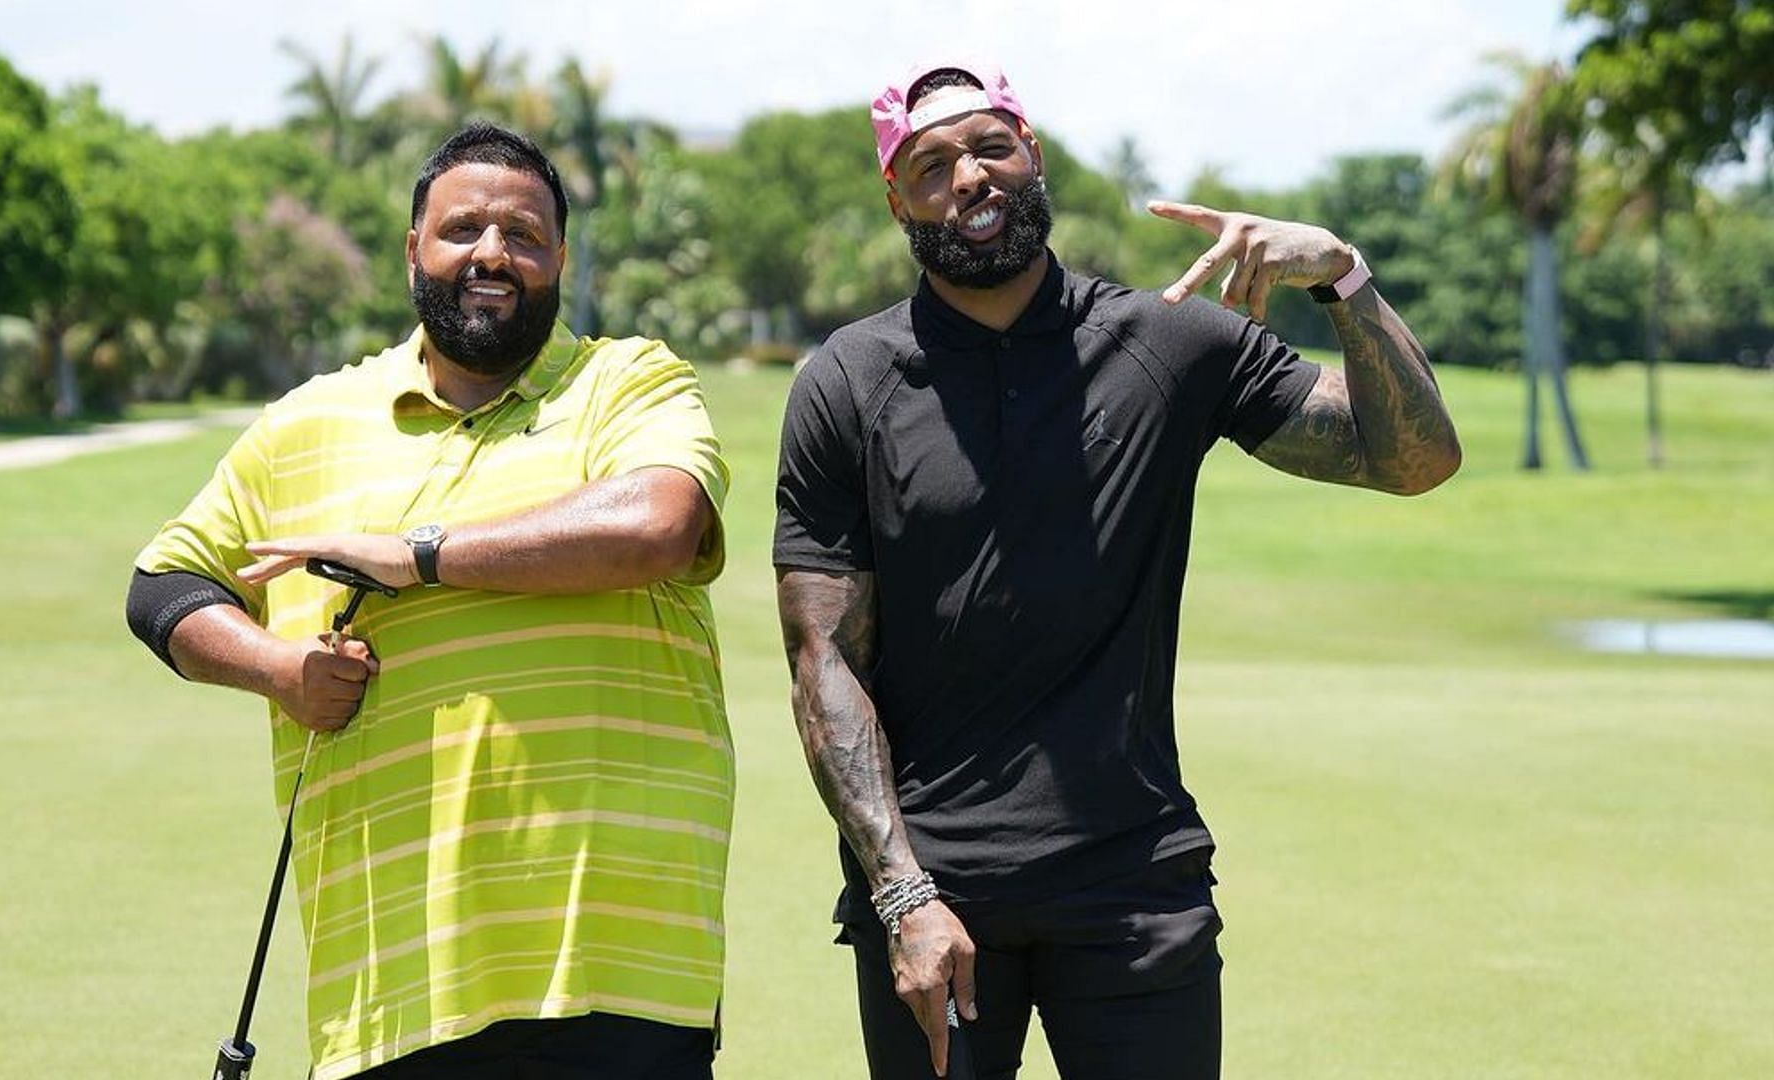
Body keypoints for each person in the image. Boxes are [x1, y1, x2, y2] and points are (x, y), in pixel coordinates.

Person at [774, 60, 1461, 1079]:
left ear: (1032, 155)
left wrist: (1343, 277)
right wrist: (902, 892)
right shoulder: (849, 381)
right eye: (931, 165)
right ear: (897, 198)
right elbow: (824, 659)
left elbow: (1414, 460)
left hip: (1137, 884)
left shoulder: (1167, 342)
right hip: (937, 894)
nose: (969, 177)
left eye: (989, 147)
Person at [127, 122, 732, 1080]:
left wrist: (419, 556)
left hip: (621, 972)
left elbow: (659, 522)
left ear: (560, 258)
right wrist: (279, 670)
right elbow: (165, 584)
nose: (493, 254)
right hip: (392, 980)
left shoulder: (629, 382)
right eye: (463, 230)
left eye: (525, 236)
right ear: (414, 249)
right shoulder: (306, 424)